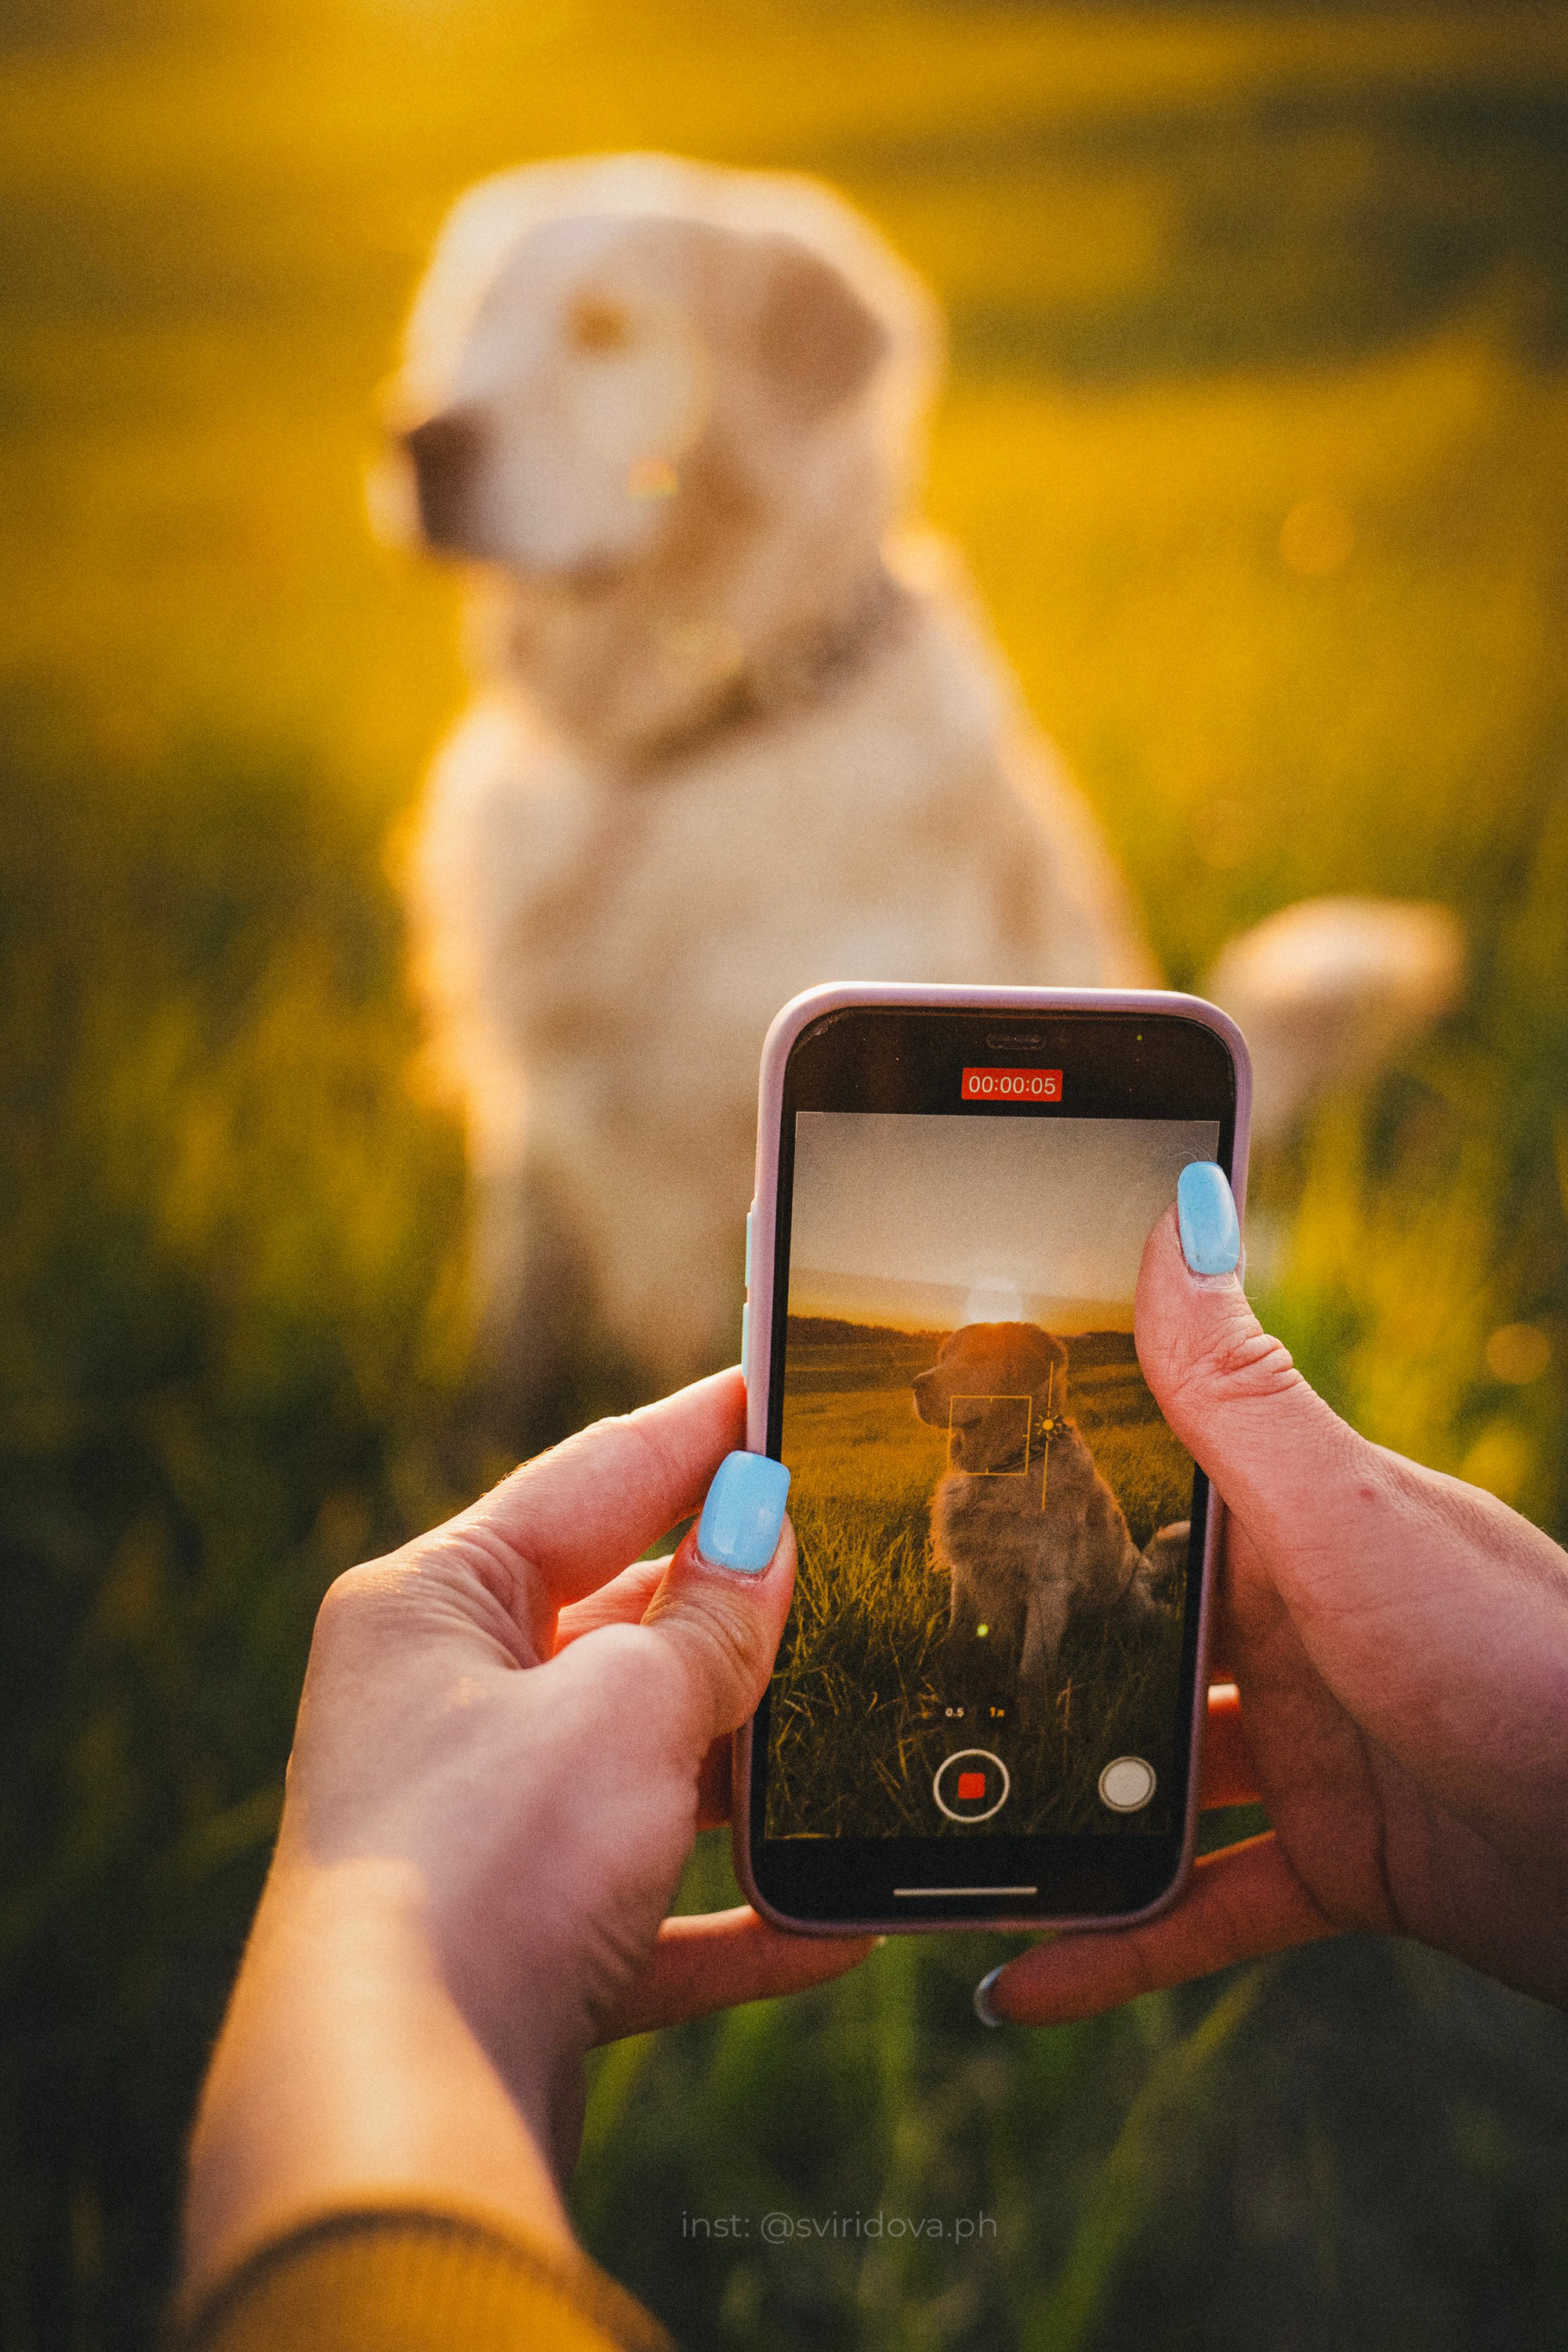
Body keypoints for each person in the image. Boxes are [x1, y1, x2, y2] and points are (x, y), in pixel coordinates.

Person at [176, 1168, 1568, 2350]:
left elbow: (1044, 1598)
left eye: (964, 1370)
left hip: (1094, 1625)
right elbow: (970, 1577)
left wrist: (394, 1947)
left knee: (1092, 1611)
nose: (939, 1380)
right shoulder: (965, 1469)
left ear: (1020, 1377)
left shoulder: (1063, 1472)